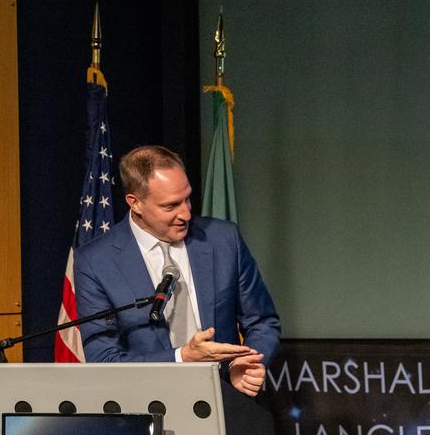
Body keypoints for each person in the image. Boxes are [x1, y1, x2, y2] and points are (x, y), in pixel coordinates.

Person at [73, 145, 280, 396]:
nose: (186, 214)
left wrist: (244, 364)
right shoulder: (96, 261)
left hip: (226, 396)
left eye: (187, 199)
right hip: (146, 402)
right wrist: (182, 357)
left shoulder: (223, 239)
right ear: (135, 203)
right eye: (171, 206)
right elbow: (103, 359)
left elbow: (262, 321)